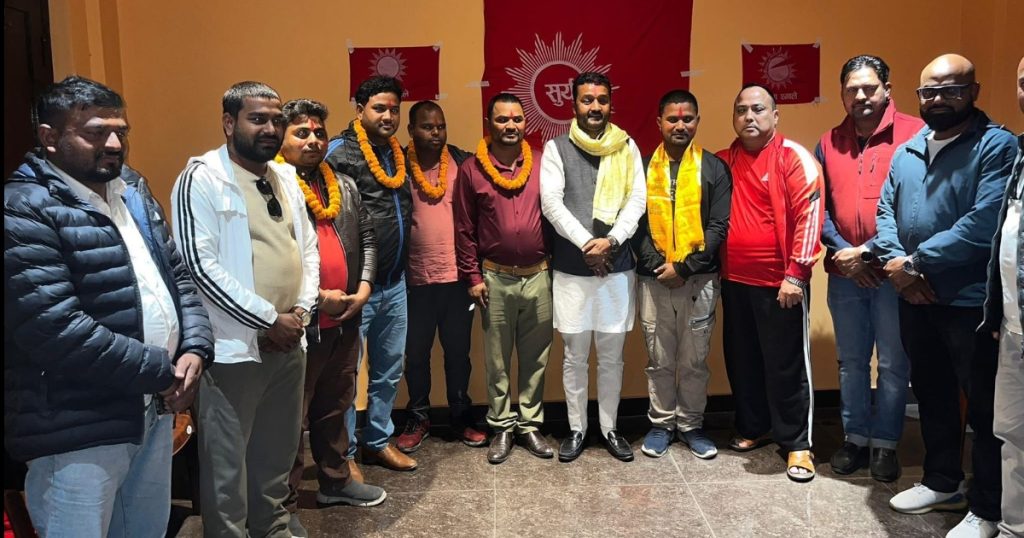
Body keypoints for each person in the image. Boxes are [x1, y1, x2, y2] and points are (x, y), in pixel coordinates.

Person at [5, 75, 213, 537]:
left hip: (149, 411)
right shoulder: (22, 209)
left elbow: (178, 277)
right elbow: (56, 328)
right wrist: (164, 372)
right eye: (96, 132)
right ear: (50, 138)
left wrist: (195, 349)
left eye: (121, 131)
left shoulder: (131, 190)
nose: (115, 144)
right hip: (77, 425)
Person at [172, 81, 320, 537]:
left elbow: (307, 249)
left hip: (288, 340)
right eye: (258, 119)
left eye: (277, 120)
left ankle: (272, 527)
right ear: (228, 122)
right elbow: (199, 265)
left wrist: (300, 313)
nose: (270, 129)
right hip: (235, 348)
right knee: (227, 465)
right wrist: (268, 319)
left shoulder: (285, 177)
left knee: (277, 451)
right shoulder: (201, 178)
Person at [879, 54, 1015, 538]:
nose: (939, 99)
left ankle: (988, 507)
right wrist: (900, 268)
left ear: (973, 91)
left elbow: (984, 223)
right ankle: (942, 482)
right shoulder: (909, 150)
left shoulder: (997, 146)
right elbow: (885, 213)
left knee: (984, 408)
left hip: (969, 302)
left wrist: (916, 263)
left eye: (951, 89)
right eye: (929, 91)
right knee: (932, 392)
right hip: (915, 298)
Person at [815, 55, 923, 482]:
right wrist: (847, 253)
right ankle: (855, 438)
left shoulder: (915, 134)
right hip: (845, 274)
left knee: (894, 363)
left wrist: (870, 254)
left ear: (887, 89)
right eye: (851, 89)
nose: (860, 95)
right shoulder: (828, 142)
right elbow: (819, 208)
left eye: (869, 87)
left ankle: (886, 444)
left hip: (894, 273)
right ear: (842, 94)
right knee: (852, 361)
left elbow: (916, 207)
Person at [277, 98, 386, 509]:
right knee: (291, 417)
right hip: (301, 324)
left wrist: (364, 287)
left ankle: (335, 482)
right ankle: (284, 502)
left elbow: (368, 237)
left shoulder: (343, 185)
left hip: (345, 321)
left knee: (335, 406)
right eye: (301, 133)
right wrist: (320, 299)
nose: (313, 140)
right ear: (282, 138)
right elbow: (273, 260)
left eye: (319, 133)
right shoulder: (274, 186)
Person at [717, 83, 824, 482]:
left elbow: (810, 215)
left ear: (775, 116)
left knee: (786, 365)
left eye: (758, 109)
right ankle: (754, 426)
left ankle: (798, 443)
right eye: (741, 109)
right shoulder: (722, 161)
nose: (749, 116)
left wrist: (796, 273)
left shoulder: (793, 157)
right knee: (742, 360)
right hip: (733, 281)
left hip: (781, 284)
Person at [540, 72, 647, 463]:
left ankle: (609, 428)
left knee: (612, 356)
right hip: (572, 270)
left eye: (602, 99)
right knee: (575, 356)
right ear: (574, 104)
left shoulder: (627, 146)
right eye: (587, 100)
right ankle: (577, 429)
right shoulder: (556, 148)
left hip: (616, 269)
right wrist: (588, 243)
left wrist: (611, 241)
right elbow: (552, 204)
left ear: (610, 104)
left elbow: (637, 200)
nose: (595, 107)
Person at [453, 93, 554, 464]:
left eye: (516, 119)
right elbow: (463, 228)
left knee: (536, 357)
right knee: (497, 359)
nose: (511, 126)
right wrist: (472, 276)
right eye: (502, 119)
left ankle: (530, 425)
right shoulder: (471, 170)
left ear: (525, 122)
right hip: (493, 278)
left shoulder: (543, 163)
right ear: (489, 123)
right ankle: (501, 426)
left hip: (539, 276)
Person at [632, 89, 731, 460]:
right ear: (659, 122)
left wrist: (685, 266)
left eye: (687, 119)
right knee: (659, 359)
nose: (680, 125)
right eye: (672, 119)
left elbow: (719, 226)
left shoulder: (714, 168)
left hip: (699, 280)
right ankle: (661, 424)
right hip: (654, 278)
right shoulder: (642, 168)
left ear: (697, 122)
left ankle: (690, 424)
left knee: (693, 360)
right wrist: (661, 265)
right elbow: (634, 223)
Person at [325, 76, 417, 473]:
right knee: (346, 376)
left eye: (394, 109)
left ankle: (378, 440)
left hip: (395, 284)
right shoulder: (338, 154)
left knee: (388, 371)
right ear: (359, 109)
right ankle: (345, 455)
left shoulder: (397, 153)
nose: (388, 116)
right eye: (379, 108)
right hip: (355, 290)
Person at [396, 100, 486, 453]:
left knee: (458, 354)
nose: (435, 133)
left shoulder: (463, 162)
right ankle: (418, 417)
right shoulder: (396, 166)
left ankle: (461, 416)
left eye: (440, 126)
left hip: (457, 280)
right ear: (411, 130)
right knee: (416, 355)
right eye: (427, 127)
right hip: (413, 281)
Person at [982, 54, 1024, 538]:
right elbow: (1004, 240)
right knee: (1012, 436)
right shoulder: (1020, 154)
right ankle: (1014, 529)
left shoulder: (1000, 146)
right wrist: (996, 312)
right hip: (1012, 328)